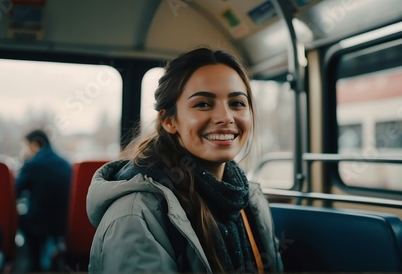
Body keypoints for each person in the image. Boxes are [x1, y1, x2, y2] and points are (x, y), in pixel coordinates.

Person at [87, 48, 283, 273]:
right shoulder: (136, 215)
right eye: (203, 104)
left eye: (237, 103)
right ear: (170, 121)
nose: (226, 118)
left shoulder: (248, 200)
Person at [16, 129, 72, 271]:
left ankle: (33, 263)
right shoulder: (65, 163)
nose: (24, 151)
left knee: (22, 218)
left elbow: (14, 191)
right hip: (63, 223)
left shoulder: (33, 164)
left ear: (35, 145)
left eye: (25, 146)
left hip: (38, 224)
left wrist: (24, 163)